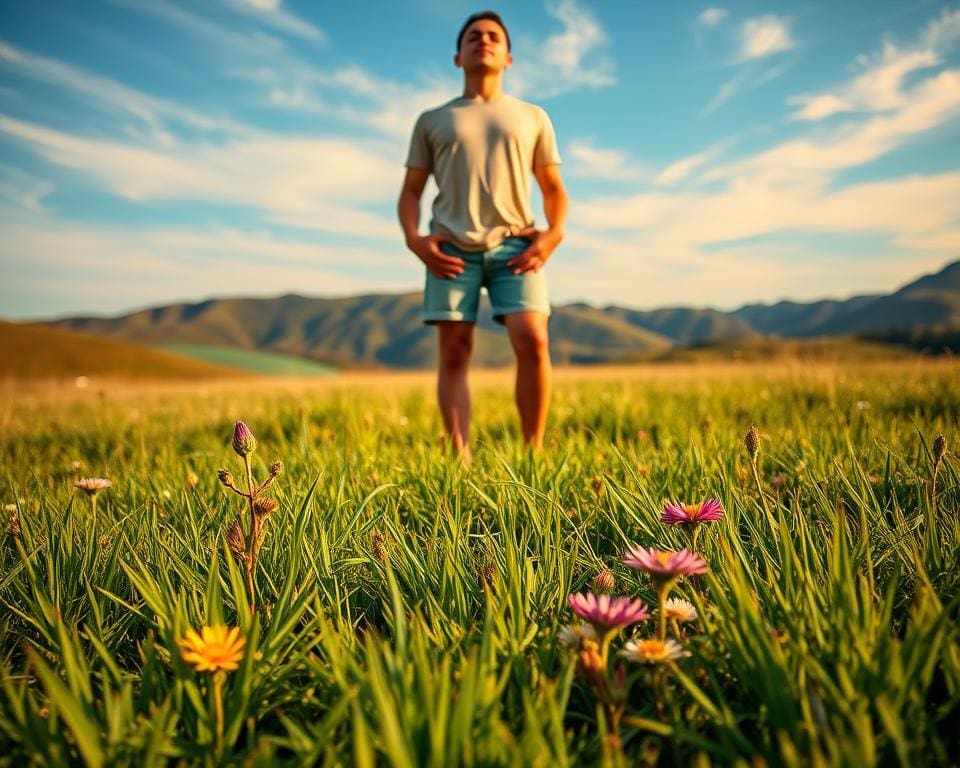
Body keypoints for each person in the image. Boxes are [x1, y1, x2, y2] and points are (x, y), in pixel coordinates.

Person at [398, 10, 568, 461]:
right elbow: (410, 193)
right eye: (474, 36)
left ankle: (533, 456)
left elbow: (553, 190)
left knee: (533, 339)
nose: (484, 40)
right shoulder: (432, 120)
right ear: (458, 57)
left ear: (508, 57)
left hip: (517, 246)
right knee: (454, 351)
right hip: (450, 249)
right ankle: (460, 460)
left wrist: (554, 234)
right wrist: (416, 241)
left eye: (494, 36)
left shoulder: (532, 116)